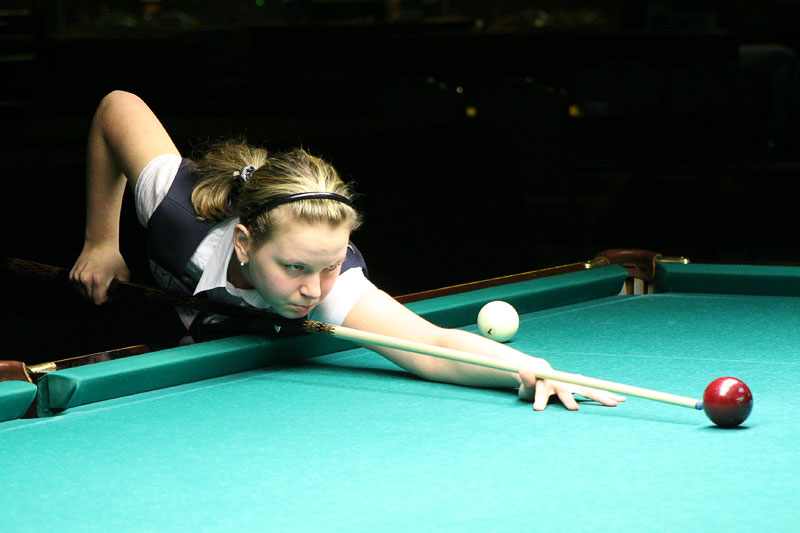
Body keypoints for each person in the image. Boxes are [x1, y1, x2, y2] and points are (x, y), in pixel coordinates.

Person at [70, 90, 625, 411]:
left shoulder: (331, 290)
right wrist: (101, 241)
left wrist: (525, 368)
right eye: (293, 267)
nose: (313, 290)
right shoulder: (174, 208)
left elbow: (432, 346)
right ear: (244, 243)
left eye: (329, 266)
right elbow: (118, 106)